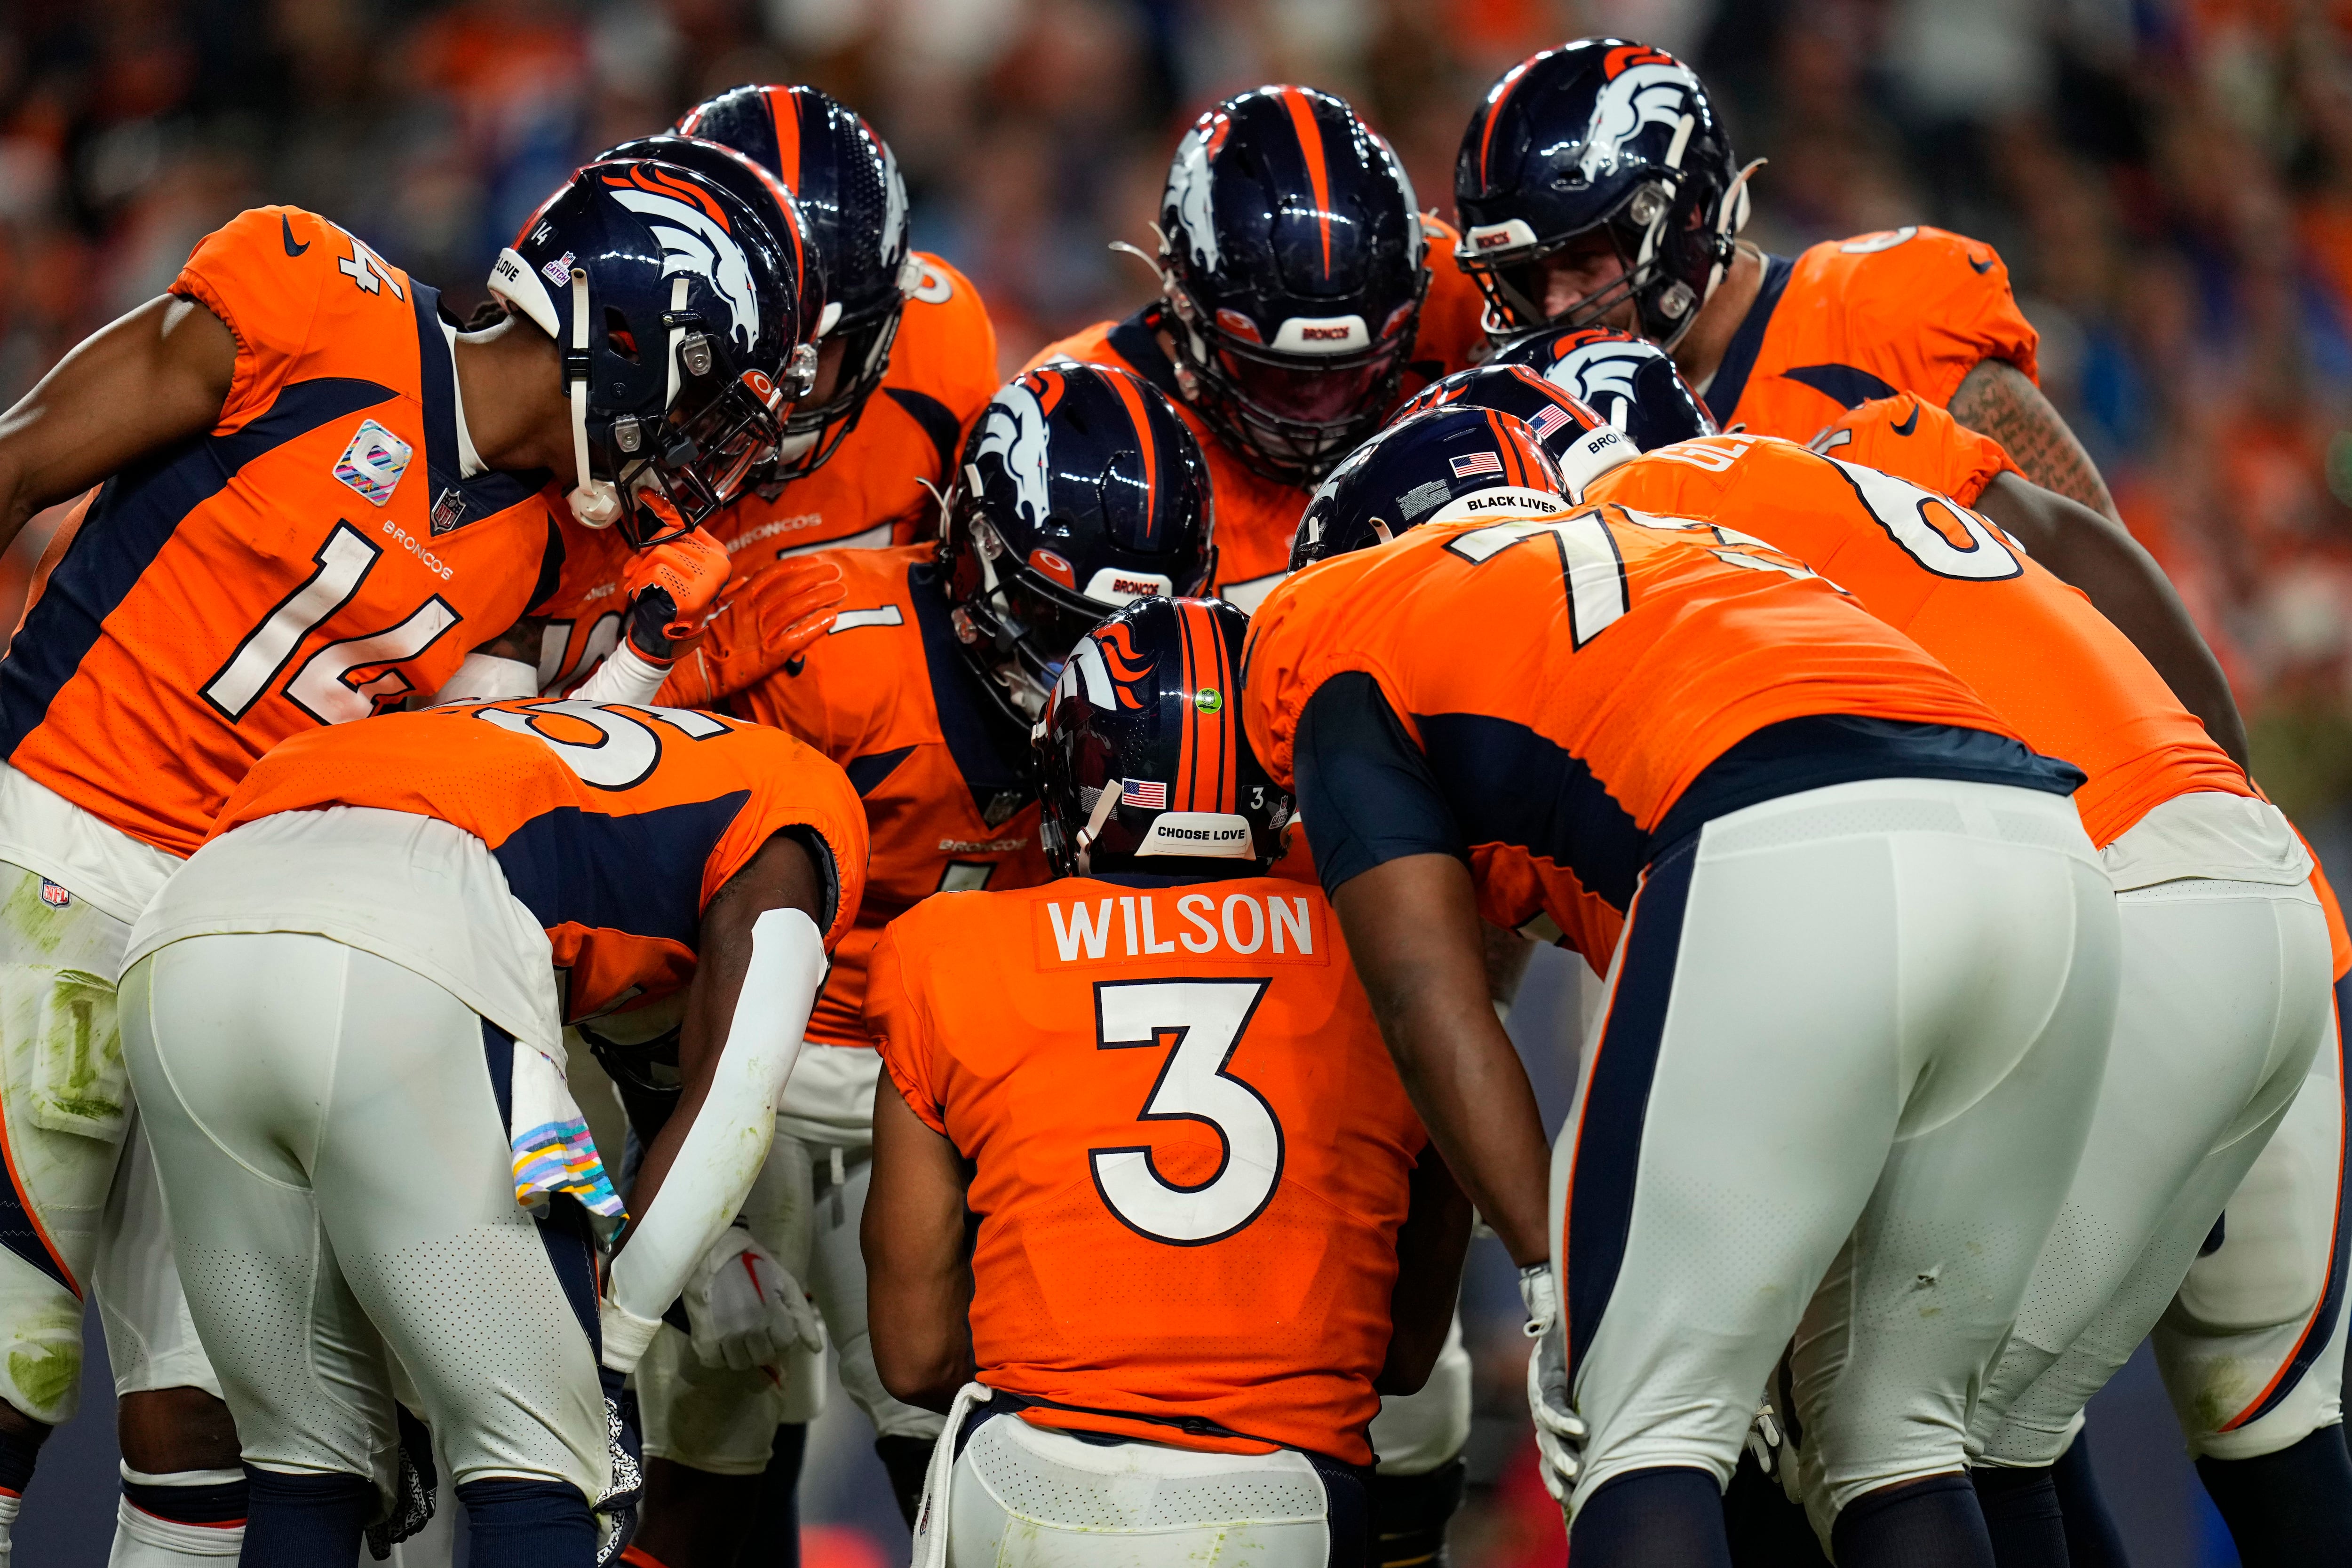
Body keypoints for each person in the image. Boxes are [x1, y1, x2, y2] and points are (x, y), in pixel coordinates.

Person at [0, 150, 812, 1566]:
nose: (693, 453)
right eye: (693, 403)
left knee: (217, 1428)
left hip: (227, 926)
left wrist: (638, 659)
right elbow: (13, 461)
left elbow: (477, 799)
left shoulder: (557, 552)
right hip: (57, 844)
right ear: (618, 338)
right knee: (12, 1358)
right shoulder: (310, 298)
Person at [1245, 403, 2123, 1568]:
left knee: (1648, 1420)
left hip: (1788, 839)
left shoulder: (1343, 618)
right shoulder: (1677, 547)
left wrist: (1547, 1270)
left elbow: (1425, 998)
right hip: (2047, 852)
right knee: (1897, 1437)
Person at [1567, 365, 2329, 1562]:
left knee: (1889, 1433)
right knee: (2037, 1429)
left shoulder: (1635, 542)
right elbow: (2079, 535)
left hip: (2104, 889)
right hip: (2247, 872)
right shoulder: (1831, 467)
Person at [616, 361, 1214, 1558]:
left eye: (1122, 640)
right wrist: (673, 1155)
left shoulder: (1189, 696)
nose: (1083, 676)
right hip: (762, 1075)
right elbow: (629, 874)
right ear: (970, 548)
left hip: (959, 1094)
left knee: (969, 1447)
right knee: (709, 1462)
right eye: (1056, 622)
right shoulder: (820, 639)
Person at [111, 695, 865, 1566]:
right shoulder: (800, 807)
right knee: (539, 1462)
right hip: (409, 932)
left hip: (185, 926)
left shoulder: (546, 773)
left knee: (307, 1459)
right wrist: (613, 1349)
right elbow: (735, 1089)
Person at [1805, 388, 2352, 1567]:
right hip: (2261, 888)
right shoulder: (1872, 439)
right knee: (2252, 1413)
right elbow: (2131, 594)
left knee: (1950, 1421)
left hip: (2124, 913)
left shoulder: (1736, 495)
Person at [861, 594, 1471, 1568]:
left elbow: (915, 1353)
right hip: (1288, 1491)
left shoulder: (943, 950)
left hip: (1028, 1483)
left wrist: (1094, 1379)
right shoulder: (1390, 956)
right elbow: (1402, 1355)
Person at [1453, 38, 2119, 521]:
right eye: (1523, 275)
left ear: (1687, 217)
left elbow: (2094, 568)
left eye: (1581, 261)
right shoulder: (1536, 413)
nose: (1553, 302)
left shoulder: (1877, 319)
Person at [535, 85, 1001, 689]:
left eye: (812, 352)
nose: (772, 387)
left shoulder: (939, 349)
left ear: (877, 335)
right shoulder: (576, 412)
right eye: (742, 347)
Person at [1027, 83, 1485, 614]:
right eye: (1280, 375)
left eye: (1347, 371)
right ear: (1182, 297)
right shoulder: (1082, 417)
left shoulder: (1456, 298)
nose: (1318, 413)